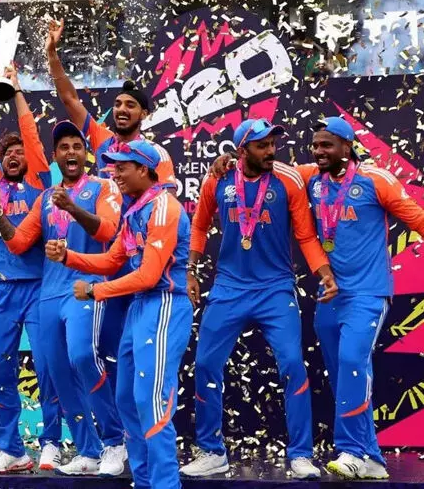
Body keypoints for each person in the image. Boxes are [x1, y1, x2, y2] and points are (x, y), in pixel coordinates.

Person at [209, 117, 424, 479]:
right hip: (329, 295)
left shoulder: (376, 179)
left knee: (353, 361)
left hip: (367, 293)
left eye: (326, 145)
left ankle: (352, 451)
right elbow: (264, 167)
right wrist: (229, 159)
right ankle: (371, 457)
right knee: (344, 375)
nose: (318, 151)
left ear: (347, 147)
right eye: (315, 145)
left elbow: (418, 219)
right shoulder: (310, 177)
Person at [181, 118, 337, 479]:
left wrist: (324, 273)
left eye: (273, 144)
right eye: (262, 145)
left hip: (275, 289)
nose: (271, 151)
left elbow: (306, 236)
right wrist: (190, 269)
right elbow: (199, 225)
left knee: (293, 365)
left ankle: (301, 454)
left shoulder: (288, 179)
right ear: (242, 150)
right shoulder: (218, 178)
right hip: (228, 288)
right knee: (205, 364)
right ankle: (211, 451)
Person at [46, 21, 174, 456]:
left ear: (144, 114)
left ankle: (138, 448)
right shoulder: (100, 140)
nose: (121, 109)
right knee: (93, 357)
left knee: (133, 365)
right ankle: (113, 444)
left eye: (130, 105)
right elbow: (69, 99)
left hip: (139, 271)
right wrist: (52, 54)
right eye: (117, 103)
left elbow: (162, 208)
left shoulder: (155, 156)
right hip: (106, 266)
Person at [46, 140, 193, 489]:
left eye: (122, 167)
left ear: (143, 169)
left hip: (165, 305)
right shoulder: (135, 210)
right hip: (141, 307)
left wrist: (95, 291)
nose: (115, 174)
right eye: (113, 167)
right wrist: (68, 258)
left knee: (150, 400)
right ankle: (144, 482)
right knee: (126, 399)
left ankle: (165, 485)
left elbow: (149, 276)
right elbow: (113, 260)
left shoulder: (164, 208)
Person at [0, 120, 123, 476]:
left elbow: (107, 230)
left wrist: (73, 208)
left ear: (85, 153)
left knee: (82, 356)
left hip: (84, 287)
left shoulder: (103, 187)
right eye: (64, 147)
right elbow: (18, 243)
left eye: (76, 146)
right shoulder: (46, 197)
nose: (71, 152)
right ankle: (89, 451)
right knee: (59, 374)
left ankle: (115, 442)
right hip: (49, 295)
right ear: (55, 156)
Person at [0, 65, 63, 473]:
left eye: (20, 151)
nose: (13, 155)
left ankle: (51, 442)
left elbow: (30, 132)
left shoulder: (41, 182)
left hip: (40, 287)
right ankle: (12, 447)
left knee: (48, 367)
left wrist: (17, 90)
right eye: (7, 152)